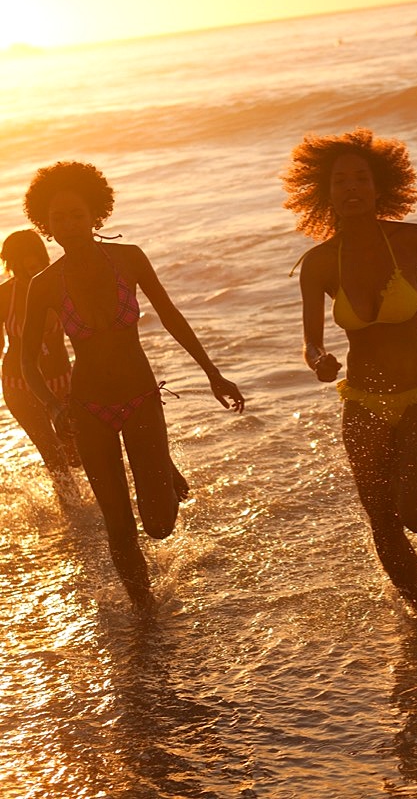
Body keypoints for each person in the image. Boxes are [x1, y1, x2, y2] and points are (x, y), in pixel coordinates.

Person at [283, 128, 417, 617]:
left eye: (361, 178)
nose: (351, 188)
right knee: (381, 515)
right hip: (361, 398)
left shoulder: (411, 239)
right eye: (340, 181)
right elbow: (310, 341)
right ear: (325, 192)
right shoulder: (318, 264)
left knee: (415, 513)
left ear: (380, 186)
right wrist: (319, 361)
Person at [21, 161, 244, 610]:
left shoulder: (129, 258)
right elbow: (26, 360)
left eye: (77, 214)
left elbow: (171, 315)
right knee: (118, 525)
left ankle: (162, 466)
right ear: (46, 223)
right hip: (87, 410)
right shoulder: (44, 285)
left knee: (159, 523)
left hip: (142, 398)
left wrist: (213, 372)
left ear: (96, 215)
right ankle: (145, 613)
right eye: (58, 217)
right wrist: (51, 406)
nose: (68, 224)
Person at [0, 229, 79, 496]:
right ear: (10, 265)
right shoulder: (3, 296)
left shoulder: (61, 285)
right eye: (20, 265)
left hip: (62, 380)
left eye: (34, 262)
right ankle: (76, 518)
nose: (27, 273)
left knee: (76, 453)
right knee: (53, 455)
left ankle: (100, 508)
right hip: (19, 386)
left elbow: (85, 334)